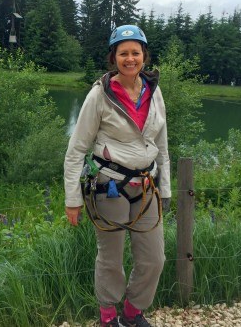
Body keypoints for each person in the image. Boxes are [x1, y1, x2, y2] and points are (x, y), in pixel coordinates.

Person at [64, 24, 171, 327]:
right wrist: (72, 199)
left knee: (154, 259)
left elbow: (161, 144)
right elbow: (76, 150)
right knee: (110, 258)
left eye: (135, 52)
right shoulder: (100, 94)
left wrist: (165, 189)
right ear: (113, 58)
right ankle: (108, 316)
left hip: (147, 187)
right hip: (109, 186)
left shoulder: (154, 92)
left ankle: (133, 312)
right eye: (123, 53)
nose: (130, 58)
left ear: (144, 56)